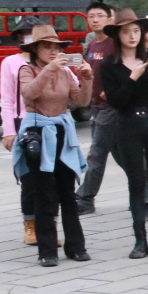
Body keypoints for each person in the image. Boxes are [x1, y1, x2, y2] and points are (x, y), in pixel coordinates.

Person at [12, 25, 93, 266]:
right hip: (37, 132)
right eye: (46, 47)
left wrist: (87, 78)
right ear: (35, 49)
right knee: (43, 193)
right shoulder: (27, 70)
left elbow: (81, 101)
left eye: (56, 47)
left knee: (67, 193)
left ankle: (76, 246)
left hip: (61, 130)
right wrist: (50, 69)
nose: (52, 51)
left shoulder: (65, 72)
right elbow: (29, 94)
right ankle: (47, 250)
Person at [97, 9, 148, 260]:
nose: (132, 36)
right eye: (126, 32)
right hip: (127, 123)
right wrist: (133, 77)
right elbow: (117, 100)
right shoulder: (109, 65)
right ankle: (139, 240)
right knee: (136, 181)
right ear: (117, 35)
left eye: (136, 31)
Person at [0, 17, 46, 247]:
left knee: (51, 178)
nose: (30, 37)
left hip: (49, 121)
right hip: (23, 122)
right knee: (28, 178)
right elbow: (7, 99)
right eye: (26, 33)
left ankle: (49, 225)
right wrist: (8, 130)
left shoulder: (51, 61)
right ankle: (30, 224)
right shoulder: (10, 63)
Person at [75, 0, 117, 214]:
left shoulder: (115, 44)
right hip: (96, 106)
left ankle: (85, 198)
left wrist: (114, 90)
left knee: (97, 154)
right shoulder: (92, 45)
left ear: (110, 19)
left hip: (112, 108)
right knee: (122, 156)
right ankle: (146, 196)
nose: (95, 20)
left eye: (100, 16)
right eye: (91, 16)